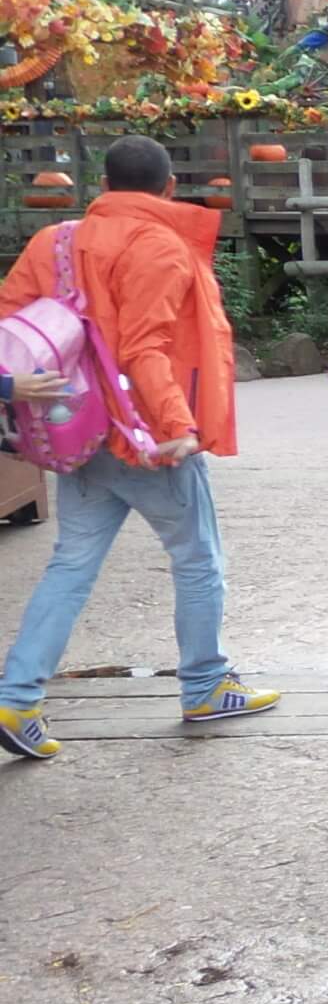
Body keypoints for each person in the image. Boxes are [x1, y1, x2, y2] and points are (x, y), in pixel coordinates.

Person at [0, 135, 277, 760]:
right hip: (144, 436)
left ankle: (17, 698)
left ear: (102, 186)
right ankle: (205, 686)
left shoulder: (55, 241)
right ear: (169, 187)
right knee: (197, 557)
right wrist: (178, 426)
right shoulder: (160, 245)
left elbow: (8, 324)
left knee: (71, 564)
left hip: (74, 430)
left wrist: (13, 390)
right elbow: (143, 349)